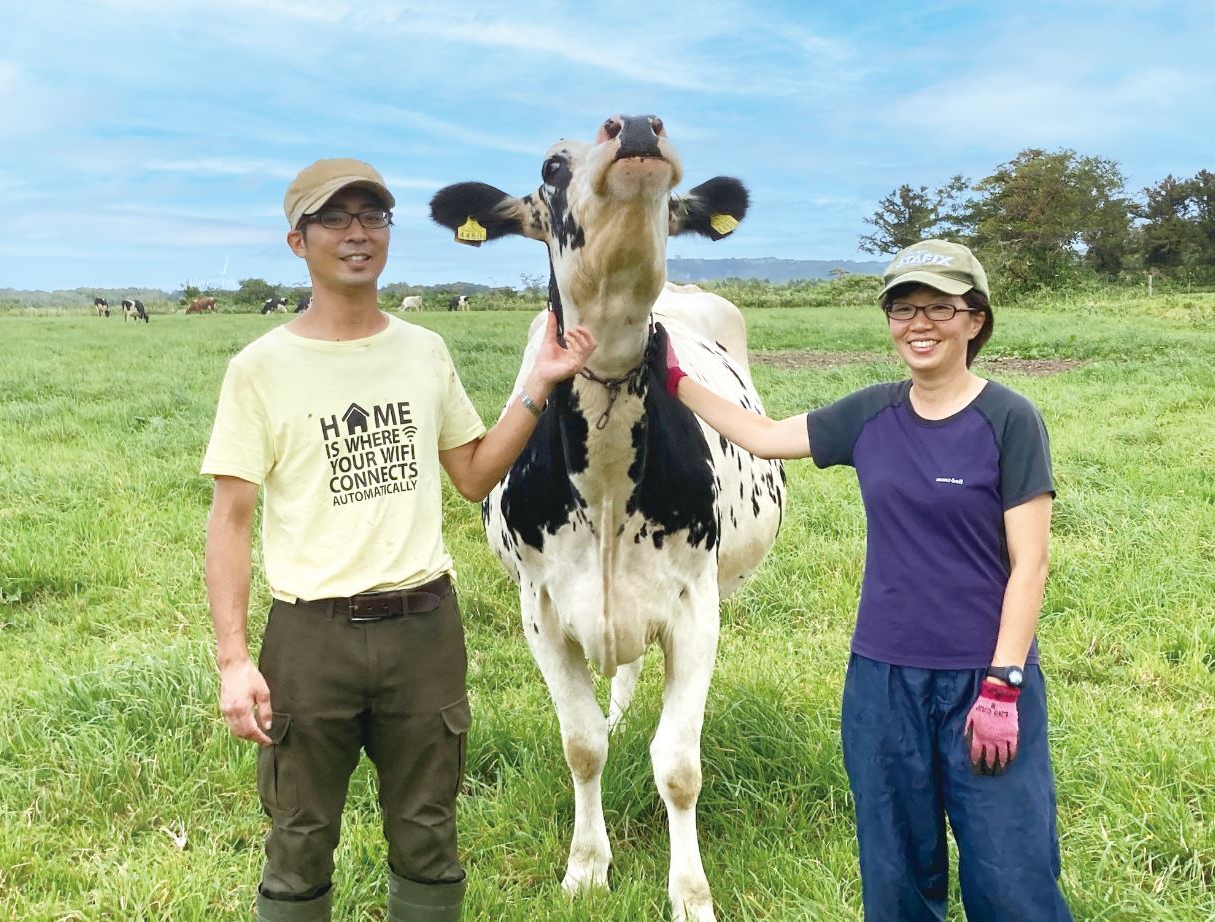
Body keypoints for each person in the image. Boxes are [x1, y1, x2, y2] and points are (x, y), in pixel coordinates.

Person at [201, 158, 595, 922]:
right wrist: (233, 660)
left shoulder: (424, 351)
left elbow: (473, 475)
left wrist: (537, 386)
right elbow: (231, 519)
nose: (357, 233)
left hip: (423, 630)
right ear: (298, 241)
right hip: (309, 637)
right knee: (298, 837)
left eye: (372, 216)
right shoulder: (260, 368)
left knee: (428, 834)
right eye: (334, 218)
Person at [662, 239, 1071, 920]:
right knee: (894, 871)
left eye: (939, 308)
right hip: (882, 682)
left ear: (974, 319)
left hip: (984, 679)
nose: (919, 324)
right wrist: (675, 379)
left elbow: (1030, 564)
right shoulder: (871, 414)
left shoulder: (1008, 419)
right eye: (903, 309)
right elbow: (762, 436)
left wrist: (1004, 685)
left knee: (1011, 874)